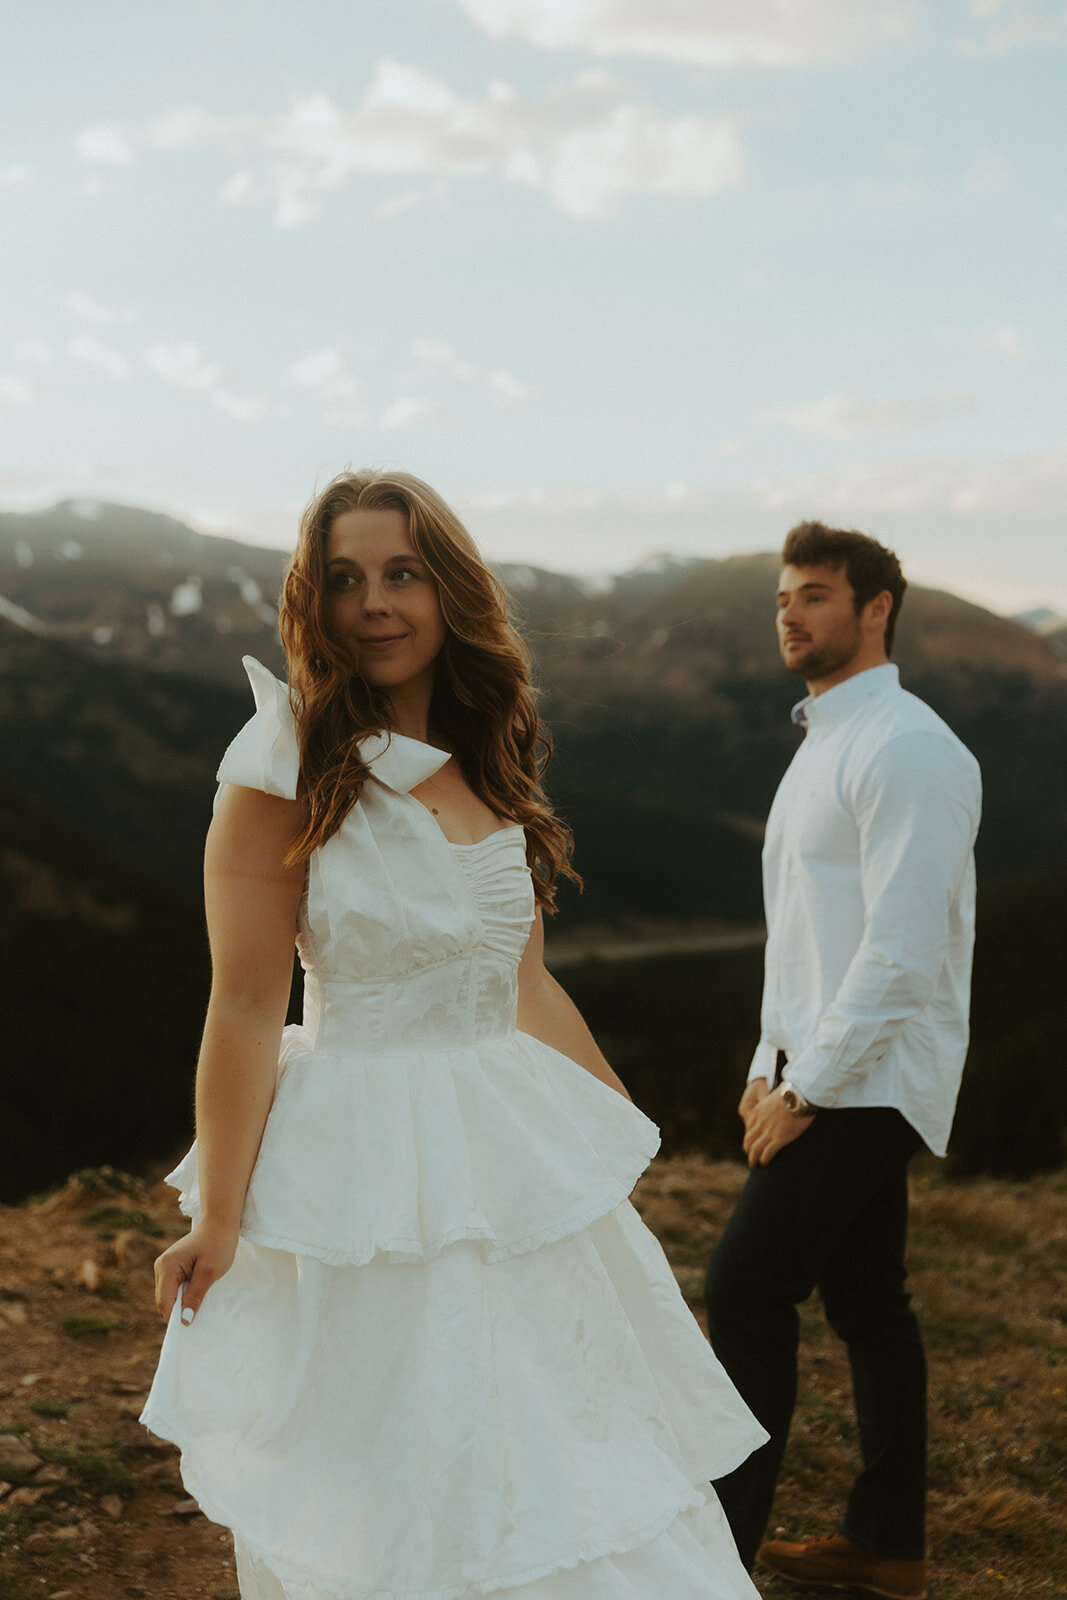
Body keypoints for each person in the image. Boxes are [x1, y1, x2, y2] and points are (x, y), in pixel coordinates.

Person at [142, 469, 766, 1600]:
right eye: (343, 579)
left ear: (449, 591)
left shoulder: (489, 759)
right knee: (400, 1478)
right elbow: (242, 1003)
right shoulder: (280, 762)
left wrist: (611, 1137)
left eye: (401, 573)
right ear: (310, 600)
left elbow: (523, 982)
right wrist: (220, 1215)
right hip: (365, 1170)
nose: (374, 603)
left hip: (501, 1155)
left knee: (562, 1453)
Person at [705, 521, 981, 1600]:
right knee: (867, 1298)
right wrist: (761, 1061)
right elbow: (809, 930)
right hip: (821, 1060)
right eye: (783, 595)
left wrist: (806, 1086)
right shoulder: (825, 740)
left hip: (866, 1076)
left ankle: (715, 1554)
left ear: (875, 608)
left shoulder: (908, 746)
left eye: (813, 594)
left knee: (744, 1284)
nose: (789, 612)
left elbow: (899, 948)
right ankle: (885, 1547)